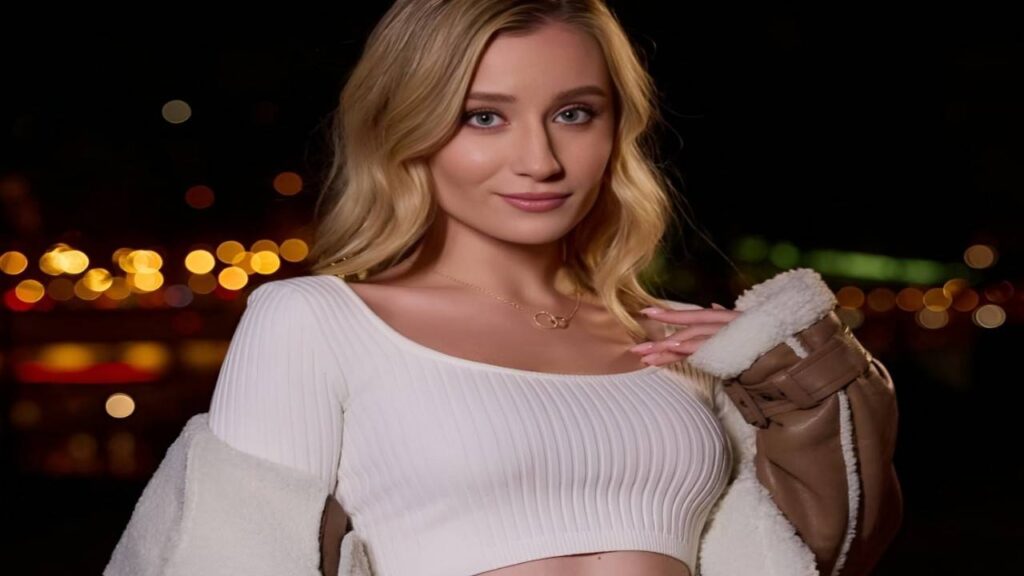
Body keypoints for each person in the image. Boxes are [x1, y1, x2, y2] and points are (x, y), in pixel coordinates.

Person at [105, 1, 903, 575]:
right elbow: (228, 555)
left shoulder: (682, 339)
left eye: (574, 113)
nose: (540, 160)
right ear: (407, 128)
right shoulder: (314, 322)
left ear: (615, 129)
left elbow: (830, 547)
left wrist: (786, 364)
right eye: (484, 117)